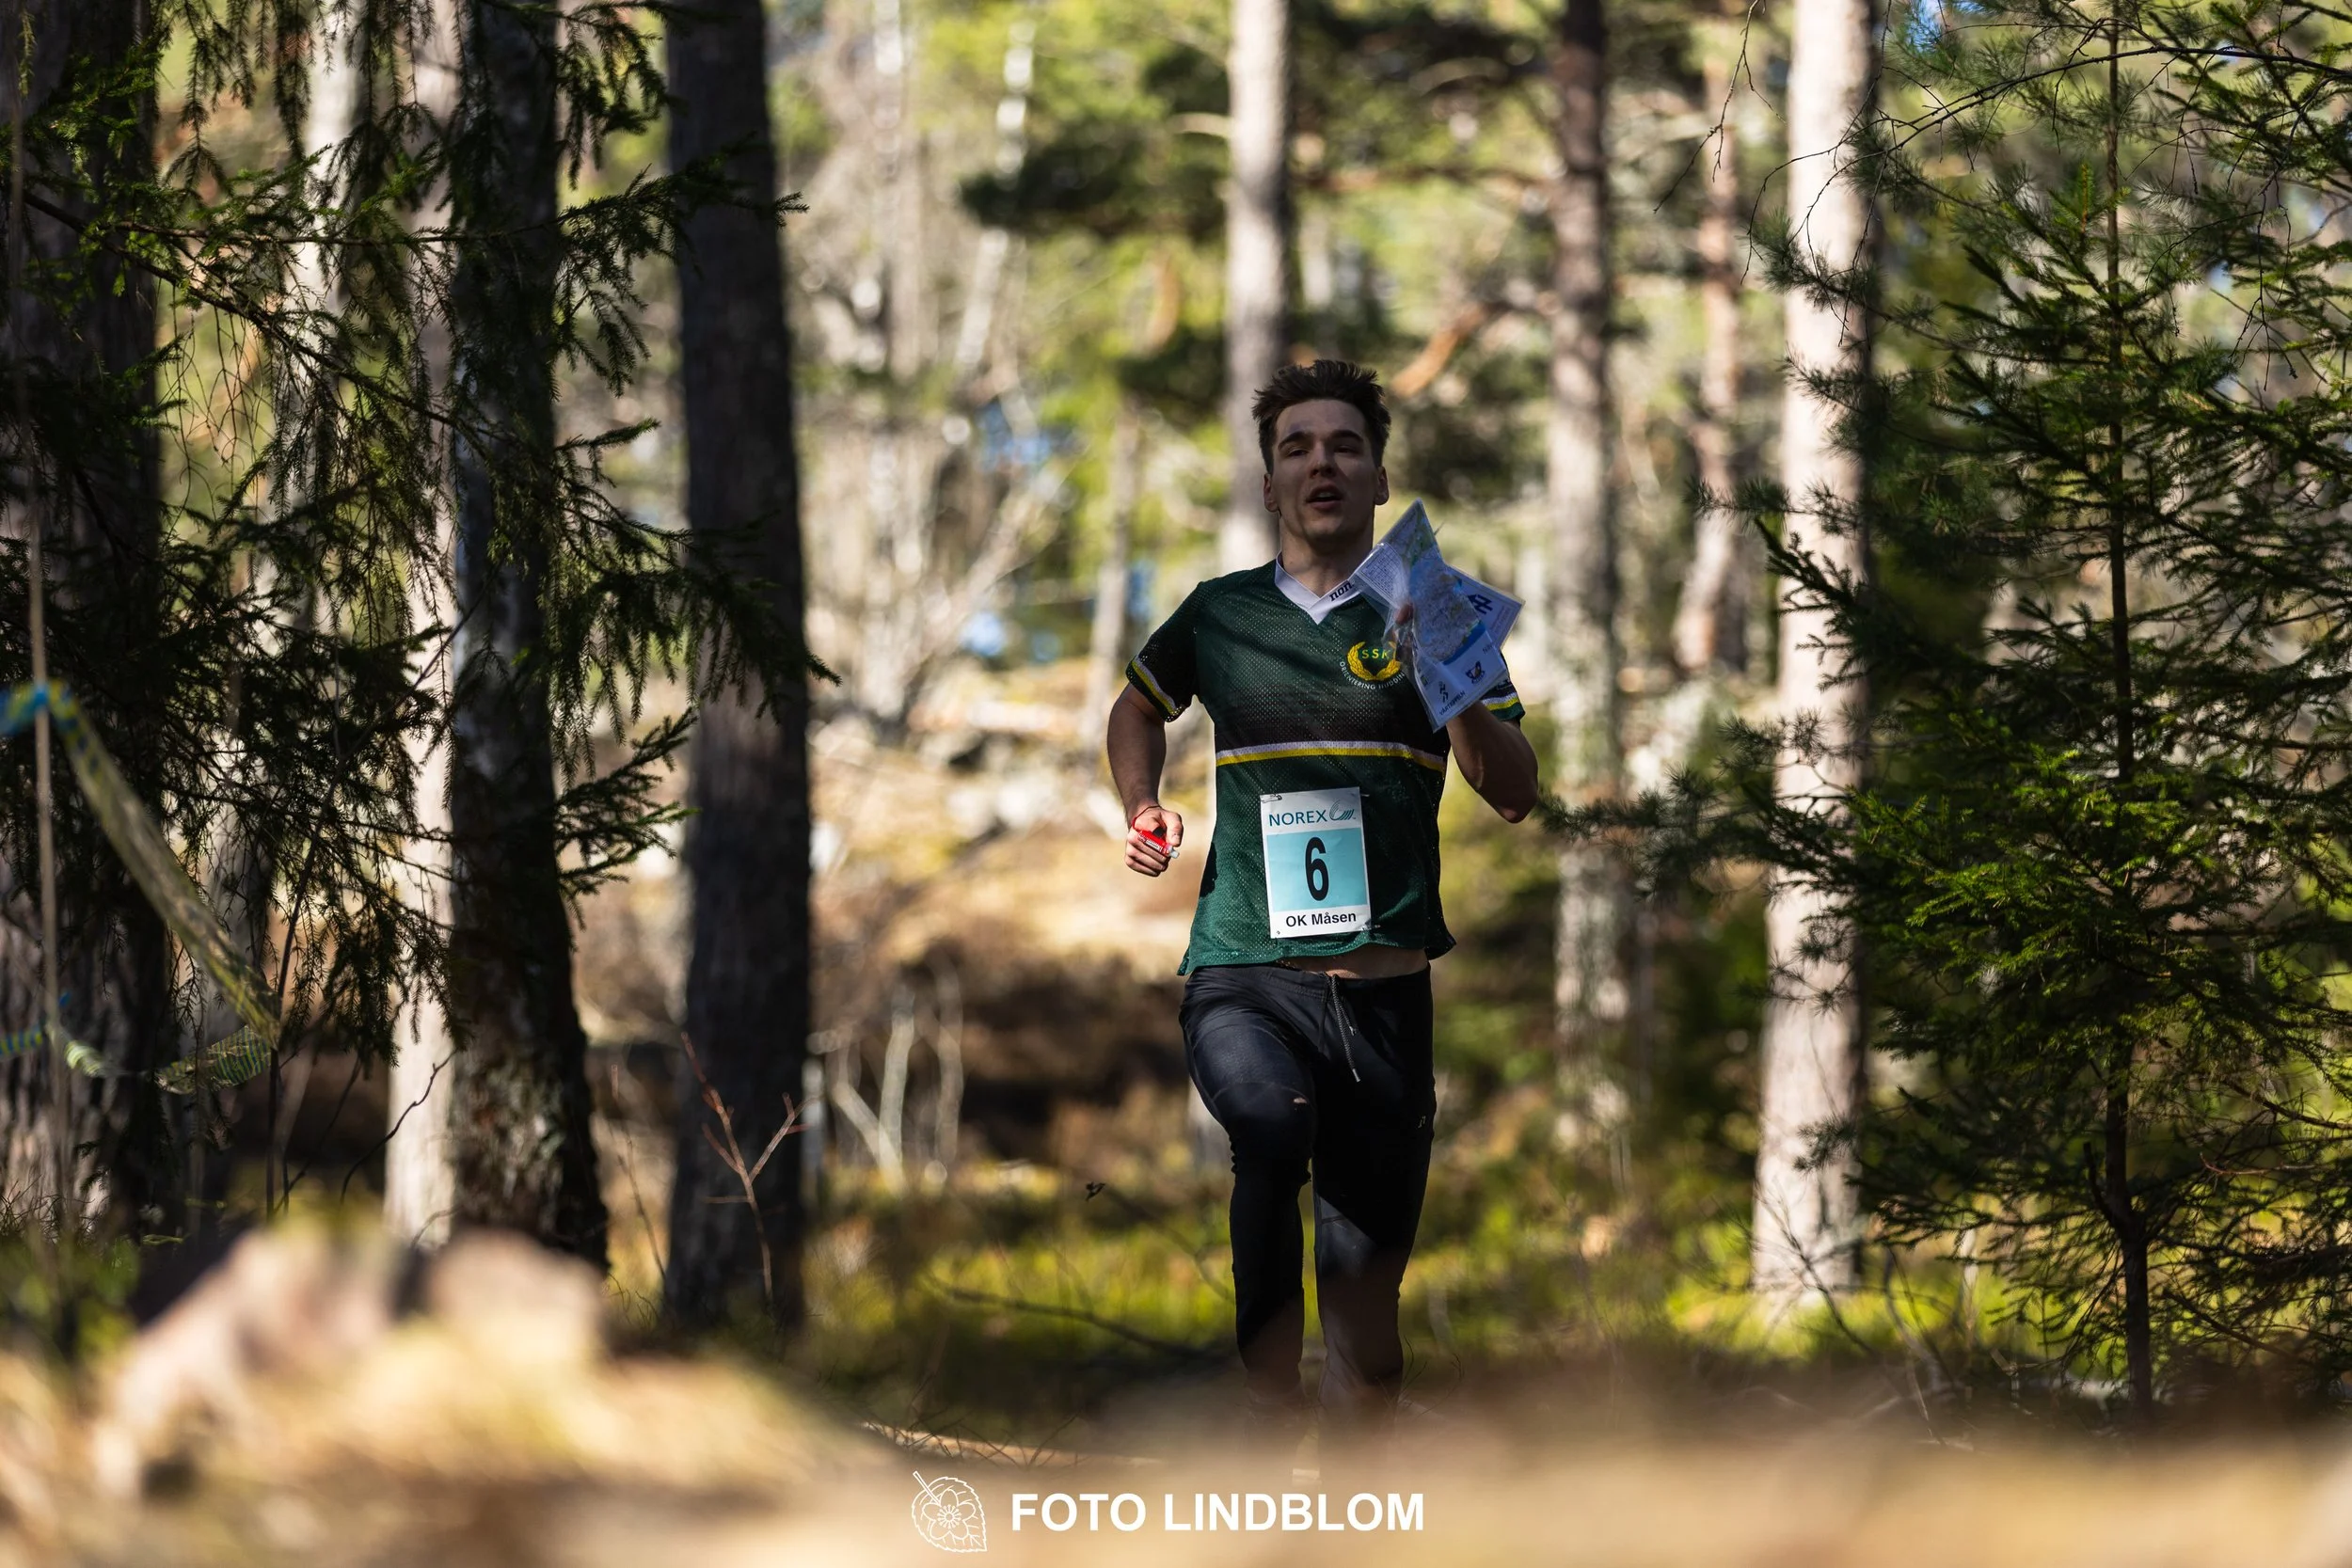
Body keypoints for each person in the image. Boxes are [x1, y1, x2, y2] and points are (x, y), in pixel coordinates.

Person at [1104, 359, 1539, 1434]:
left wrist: (1447, 680)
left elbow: (1514, 792)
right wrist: (1140, 799)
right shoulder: (1219, 613)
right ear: (1269, 485)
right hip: (1244, 966)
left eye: (1344, 444)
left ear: (1381, 475)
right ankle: (1263, 1393)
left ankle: (1347, 1493)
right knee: (1268, 1122)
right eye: (1296, 446)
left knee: (1366, 1310)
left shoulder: (1438, 610)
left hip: (1385, 992)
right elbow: (1135, 709)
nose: (1321, 462)